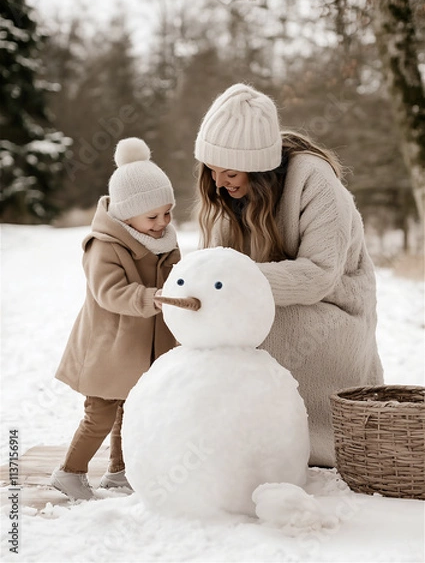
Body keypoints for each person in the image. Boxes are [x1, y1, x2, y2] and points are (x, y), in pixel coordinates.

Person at [194, 83, 384, 468]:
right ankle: (211, 435)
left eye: (229, 172)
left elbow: (318, 276)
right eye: (212, 170)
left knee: (263, 330)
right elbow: (217, 266)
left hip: (333, 311)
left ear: (259, 169)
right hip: (277, 300)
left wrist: (235, 282)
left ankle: (283, 440)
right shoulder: (230, 195)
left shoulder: (315, 182)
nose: (218, 182)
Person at [51, 137, 181, 500]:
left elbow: (176, 277)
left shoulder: (164, 240)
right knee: (100, 415)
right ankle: (70, 472)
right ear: (126, 214)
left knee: (132, 409)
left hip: (143, 348)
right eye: (153, 216)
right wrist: (151, 297)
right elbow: (109, 292)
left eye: (167, 212)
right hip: (108, 348)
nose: (162, 222)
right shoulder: (103, 245)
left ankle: (120, 471)